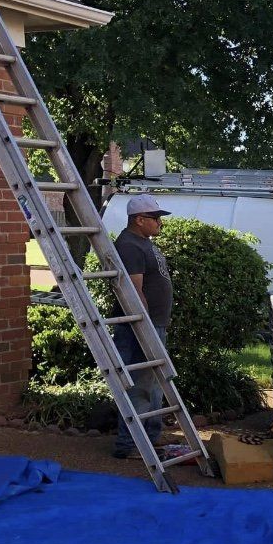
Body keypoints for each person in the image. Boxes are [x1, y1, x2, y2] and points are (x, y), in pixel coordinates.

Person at [111, 194, 175, 460]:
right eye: (156, 219)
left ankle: (150, 439)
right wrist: (144, 327)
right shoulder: (129, 246)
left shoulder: (142, 242)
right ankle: (131, 445)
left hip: (155, 324)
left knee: (155, 385)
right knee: (140, 386)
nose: (160, 224)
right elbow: (134, 292)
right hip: (140, 327)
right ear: (140, 220)